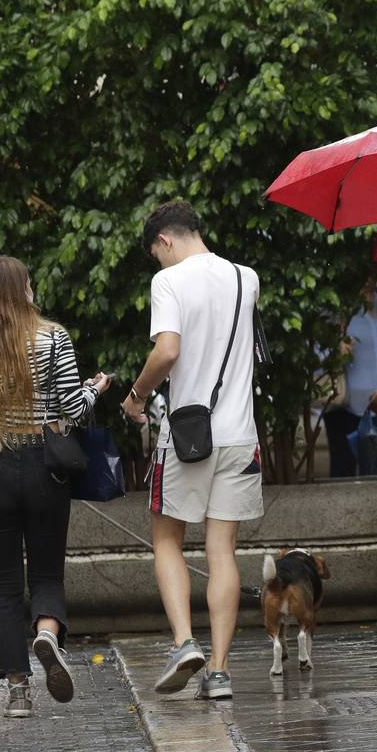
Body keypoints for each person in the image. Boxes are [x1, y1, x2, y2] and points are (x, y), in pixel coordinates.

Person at [0, 257, 109, 717]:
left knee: (7, 581)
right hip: (43, 469)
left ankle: (18, 691)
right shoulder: (53, 337)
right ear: (23, 291)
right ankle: (48, 634)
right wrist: (98, 388)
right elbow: (72, 408)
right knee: (48, 572)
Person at [123, 200, 263, 702]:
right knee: (222, 549)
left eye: (156, 254)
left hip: (186, 439)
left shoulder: (169, 282)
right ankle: (220, 673)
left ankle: (184, 642)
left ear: (164, 240)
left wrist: (136, 396)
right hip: (239, 436)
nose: (159, 264)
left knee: (166, 540)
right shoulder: (247, 277)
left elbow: (167, 351)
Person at [324, 283, 377, 477]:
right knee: (343, 471)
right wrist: (334, 351)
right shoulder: (337, 307)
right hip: (345, 407)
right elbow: (315, 355)